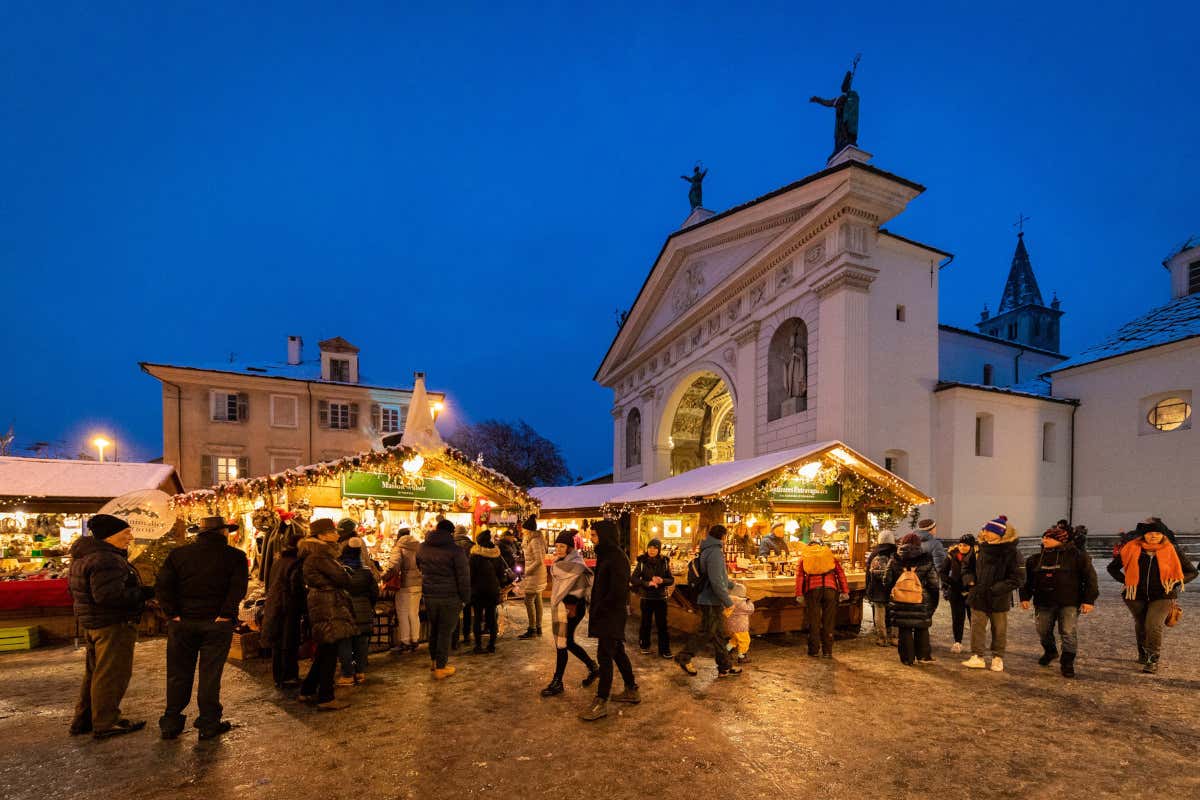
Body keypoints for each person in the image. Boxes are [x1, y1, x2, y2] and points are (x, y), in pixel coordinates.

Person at [155, 516, 250, 740]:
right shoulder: (235, 556)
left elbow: (163, 586)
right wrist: (226, 614)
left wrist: (173, 614)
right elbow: (238, 588)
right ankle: (208, 723)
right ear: (223, 533)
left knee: (178, 673)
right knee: (210, 674)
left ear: (200, 533)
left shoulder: (179, 555)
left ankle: (171, 722)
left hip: (183, 623)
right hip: (216, 624)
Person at [67, 514, 153, 739]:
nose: (130, 537)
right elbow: (108, 596)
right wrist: (144, 593)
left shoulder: (85, 556)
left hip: (94, 623)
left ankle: (84, 719)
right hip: (112, 624)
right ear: (111, 536)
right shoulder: (107, 559)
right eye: (126, 534)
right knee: (111, 674)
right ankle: (106, 722)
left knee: (95, 672)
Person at [1106, 519, 1197, 674]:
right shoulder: (1131, 548)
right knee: (1142, 625)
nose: (1153, 536)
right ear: (1143, 535)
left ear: (1163, 534)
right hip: (1134, 595)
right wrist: (1127, 581)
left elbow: (1192, 572)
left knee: (1153, 625)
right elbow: (1112, 568)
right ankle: (1143, 653)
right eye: (1149, 533)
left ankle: (1152, 659)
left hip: (1163, 595)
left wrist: (1174, 583)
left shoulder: (1172, 550)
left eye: (1157, 533)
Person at [1019, 527, 1099, 679]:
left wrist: (1089, 600)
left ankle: (1067, 662)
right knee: (1043, 630)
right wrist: (1024, 597)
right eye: (1044, 538)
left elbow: (1090, 579)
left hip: (1069, 601)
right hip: (1043, 601)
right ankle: (1050, 651)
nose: (1044, 540)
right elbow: (1026, 581)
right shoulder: (1035, 559)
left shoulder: (1078, 556)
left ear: (1061, 539)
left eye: (1049, 538)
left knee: (1068, 632)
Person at [580, 520, 639, 721]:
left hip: (610, 614)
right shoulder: (606, 555)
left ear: (605, 536)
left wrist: (601, 608)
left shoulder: (616, 558)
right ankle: (632, 689)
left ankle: (601, 700)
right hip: (606, 613)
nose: (591, 538)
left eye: (595, 535)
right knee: (617, 651)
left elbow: (618, 591)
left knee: (605, 655)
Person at [298, 519, 357, 709]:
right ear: (322, 536)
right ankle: (326, 697)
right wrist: (345, 572)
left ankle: (307, 690)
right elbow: (343, 578)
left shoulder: (317, 554)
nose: (337, 535)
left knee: (325, 650)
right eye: (333, 532)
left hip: (324, 603)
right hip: (328, 605)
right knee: (329, 651)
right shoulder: (320, 555)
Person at [675, 524, 740, 677]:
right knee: (706, 632)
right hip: (710, 599)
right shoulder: (715, 552)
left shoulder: (707, 549)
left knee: (717, 633)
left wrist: (732, 585)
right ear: (723, 536)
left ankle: (724, 665)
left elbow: (718, 577)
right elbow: (716, 581)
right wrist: (728, 602)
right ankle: (684, 657)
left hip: (710, 598)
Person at [541, 530, 599, 697]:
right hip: (565, 607)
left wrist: (570, 606)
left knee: (562, 644)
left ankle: (557, 682)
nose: (558, 549)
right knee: (568, 642)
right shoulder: (563, 561)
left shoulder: (575, 565)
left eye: (562, 546)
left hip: (571, 608)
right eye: (557, 546)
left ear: (569, 548)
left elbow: (580, 588)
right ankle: (593, 667)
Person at [961, 515, 1021, 672]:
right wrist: (970, 580)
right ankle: (977, 656)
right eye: (985, 529)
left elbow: (1017, 578)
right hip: (978, 595)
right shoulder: (979, 548)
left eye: (988, 530)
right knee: (977, 627)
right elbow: (966, 568)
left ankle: (997, 657)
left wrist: (995, 589)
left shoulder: (1011, 552)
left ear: (998, 533)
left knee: (999, 628)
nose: (984, 532)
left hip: (998, 598)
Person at [417, 518, 471, 678]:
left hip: (429, 595)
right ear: (451, 532)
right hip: (450, 596)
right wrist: (465, 598)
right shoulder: (456, 550)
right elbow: (463, 577)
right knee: (445, 632)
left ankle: (434, 662)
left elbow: (418, 565)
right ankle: (441, 667)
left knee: (434, 629)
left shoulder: (422, 547)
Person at [885, 532, 940, 666]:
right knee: (922, 627)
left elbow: (887, 581)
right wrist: (933, 602)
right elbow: (933, 584)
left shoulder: (894, 559)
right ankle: (923, 656)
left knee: (904, 629)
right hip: (921, 599)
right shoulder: (926, 559)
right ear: (919, 544)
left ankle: (907, 659)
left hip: (900, 599)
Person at [260, 523, 305, 689]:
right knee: (289, 641)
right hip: (288, 606)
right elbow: (296, 587)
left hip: (275, 603)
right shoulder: (295, 563)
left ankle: (278, 676)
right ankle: (289, 677)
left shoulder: (279, 561)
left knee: (278, 642)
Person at [794, 535, 849, 659]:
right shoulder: (829, 556)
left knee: (814, 620)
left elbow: (800, 576)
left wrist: (799, 594)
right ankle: (827, 651)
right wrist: (845, 591)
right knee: (828, 621)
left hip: (812, 590)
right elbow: (840, 573)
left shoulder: (804, 557)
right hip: (830, 590)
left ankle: (813, 650)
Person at [336, 537, 379, 685]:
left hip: (345, 611)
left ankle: (347, 674)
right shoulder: (366, 572)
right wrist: (369, 605)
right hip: (363, 611)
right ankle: (360, 673)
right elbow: (375, 592)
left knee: (346, 643)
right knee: (361, 644)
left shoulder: (339, 571)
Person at [631, 537, 675, 657]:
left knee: (662, 624)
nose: (652, 550)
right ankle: (644, 646)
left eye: (655, 548)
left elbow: (671, 580)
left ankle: (665, 650)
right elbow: (633, 579)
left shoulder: (664, 562)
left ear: (659, 550)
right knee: (645, 623)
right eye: (650, 547)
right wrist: (647, 583)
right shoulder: (642, 562)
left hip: (660, 598)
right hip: (646, 597)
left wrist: (662, 580)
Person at [468, 530, 510, 654]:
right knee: (491, 617)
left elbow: (470, 575)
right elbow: (501, 574)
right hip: (492, 591)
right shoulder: (496, 554)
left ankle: (478, 645)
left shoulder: (474, 555)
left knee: (477, 618)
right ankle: (492, 645)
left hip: (477, 591)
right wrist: (501, 586)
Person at [383, 528, 422, 653]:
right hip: (418, 584)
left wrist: (383, 577)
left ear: (399, 536)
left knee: (403, 613)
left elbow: (393, 566)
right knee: (414, 613)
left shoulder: (398, 548)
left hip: (405, 585)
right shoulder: (419, 547)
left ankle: (405, 641)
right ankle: (415, 640)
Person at [938, 534, 975, 654]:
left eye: (965, 545)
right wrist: (950, 583)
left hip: (972, 592)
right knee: (957, 618)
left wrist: (974, 584)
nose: (962, 547)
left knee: (974, 619)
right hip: (955, 591)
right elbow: (942, 572)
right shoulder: (953, 555)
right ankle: (957, 642)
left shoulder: (976, 556)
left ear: (971, 546)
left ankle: (976, 644)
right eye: (960, 544)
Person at [864, 530, 898, 646]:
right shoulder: (896, 553)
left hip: (878, 588)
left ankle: (882, 638)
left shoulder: (874, 554)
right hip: (894, 587)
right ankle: (895, 638)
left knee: (879, 612)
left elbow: (868, 574)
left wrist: (868, 588)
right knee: (894, 612)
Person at [519, 515, 548, 639]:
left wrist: (527, 571)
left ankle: (532, 628)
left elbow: (539, 560)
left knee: (528, 600)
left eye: (524, 529)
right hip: (537, 574)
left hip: (534, 574)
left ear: (529, 530)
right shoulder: (532, 539)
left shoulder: (534, 540)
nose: (522, 530)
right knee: (537, 599)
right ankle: (538, 627)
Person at [452, 524, 475, 649]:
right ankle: (467, 635)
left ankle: (454, 639)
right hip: (469, 581)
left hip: (454, 582)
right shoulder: (472, 546)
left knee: (455, 610)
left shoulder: (450, 546)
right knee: (467, 610)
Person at [725, 583, 755, 664]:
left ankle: (726, 652)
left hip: (732, 626)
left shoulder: (728, 601)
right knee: (745, 640)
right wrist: (749, 602)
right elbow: (750, 610)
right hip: (740, 627)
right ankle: (742, 656)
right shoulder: (740, 602)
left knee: (735, 640)